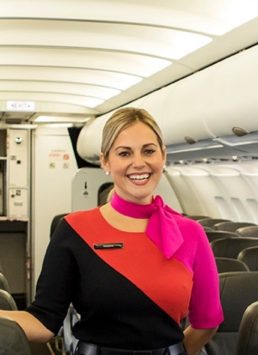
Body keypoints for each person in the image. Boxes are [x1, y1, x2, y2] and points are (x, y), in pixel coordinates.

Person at [0, 107, 223, 354]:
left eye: (149, 151)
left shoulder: (191, 233)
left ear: (163, 156)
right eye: (124, 153)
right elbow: (43, 321)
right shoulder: (74, 230)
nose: (139, 163)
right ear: (106, 161)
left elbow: (207, 321)